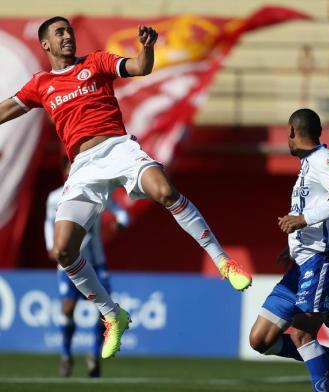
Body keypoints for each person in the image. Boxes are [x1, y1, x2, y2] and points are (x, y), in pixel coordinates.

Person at [0, 16, 252, 359]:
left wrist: (146, 49)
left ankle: (224, 263)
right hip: (83, 167)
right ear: (45, 44)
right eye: (60, 33)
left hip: (119, 148)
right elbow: (9, 108)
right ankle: (112, 315)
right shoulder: (41, 84)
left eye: (69, 31)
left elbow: (140, 67)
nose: (68, 36)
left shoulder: (96, 62)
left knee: (164, 191)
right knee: (63, 251)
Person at [249, 109, 329, 392]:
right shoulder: (308, 167)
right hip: (303, 263)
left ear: (291, 131)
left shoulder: (324, 159)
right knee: (260, 339)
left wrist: (305, 220)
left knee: (301, 333)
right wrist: (297, 245)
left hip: (323, 260)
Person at [45, 160, 130, 377]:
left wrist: (121, 221)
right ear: (65, 171)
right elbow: (48, 223)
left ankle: (94, 354)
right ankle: (66, 355)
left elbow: (121, 212)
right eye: (69, 168)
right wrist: (50, 245)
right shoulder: (55, 197)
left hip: (96, 262)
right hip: (67, 265)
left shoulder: (97, 192)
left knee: (105, 309)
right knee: (67, 308)